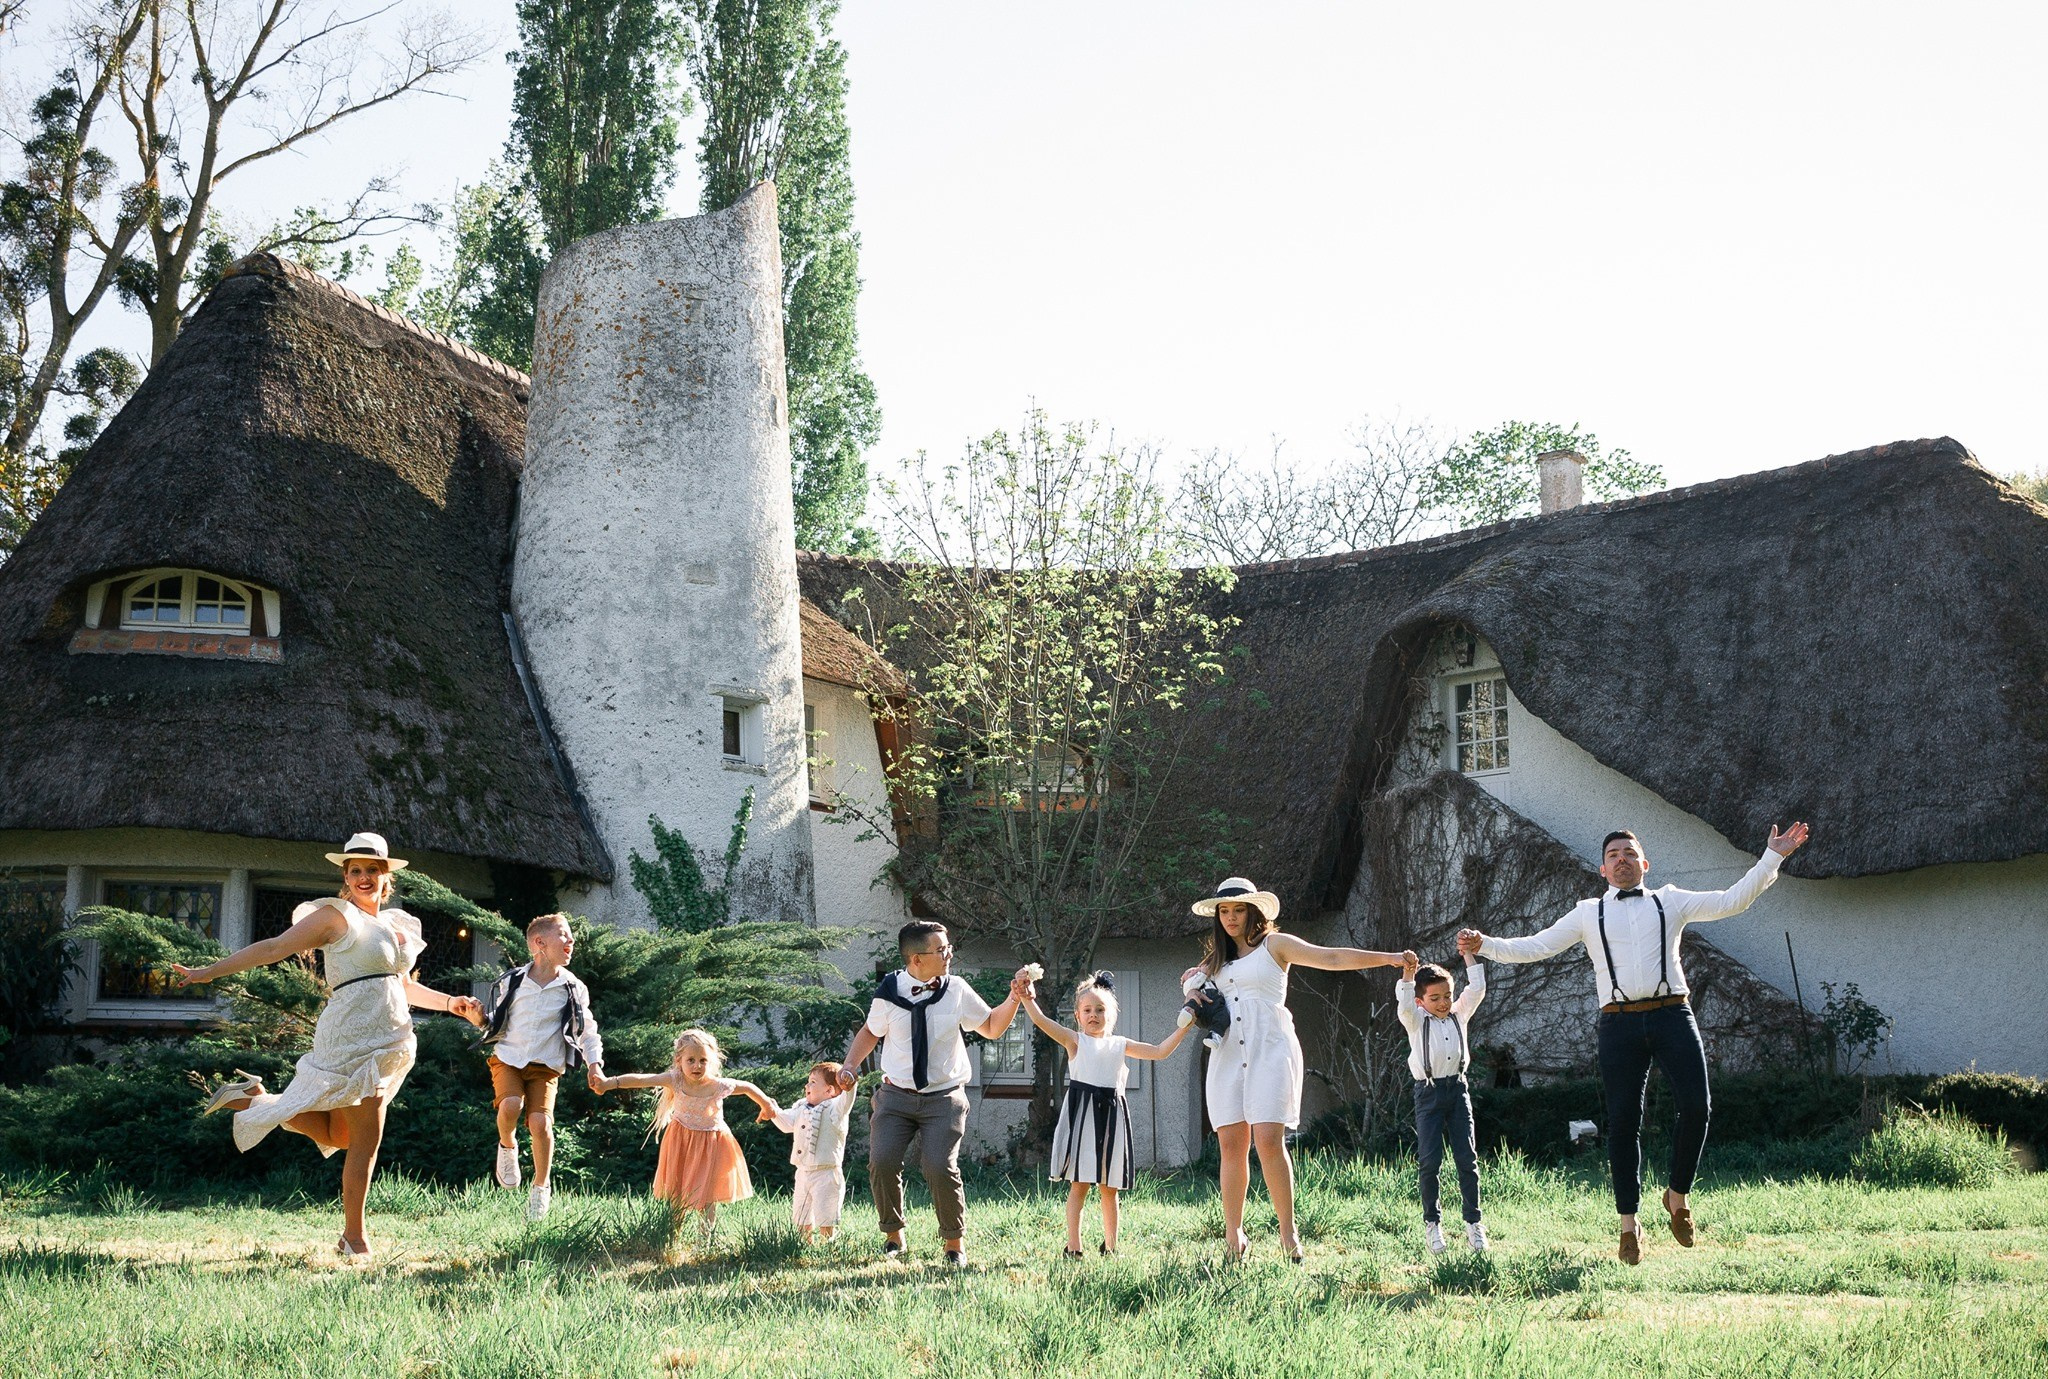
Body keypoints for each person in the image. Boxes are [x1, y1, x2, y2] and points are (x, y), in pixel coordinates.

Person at [1458, 822, 1810, 1264]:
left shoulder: (1670, 900)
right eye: (1613, 855)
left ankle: (1677, 1196)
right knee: (1624, 1123)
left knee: (1698, 1108)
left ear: (1644, 864)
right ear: (1603, 870)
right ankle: (1629, 1225)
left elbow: (1732, 900)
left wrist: (1772, 857)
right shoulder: (1588, 912)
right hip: (1618, 1024)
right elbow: (1536, 946)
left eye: (1629, 853)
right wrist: (1485, 944)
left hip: (1672, 1015)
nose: (1621, 859)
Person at [174, 831, 482, 1263]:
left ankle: (255, 1101)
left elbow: (403, 987)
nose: (363, 877)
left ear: (386, 877)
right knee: (365, 1141)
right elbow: (275, 948)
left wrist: (452, 1004)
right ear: (345, 877)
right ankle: (354, 1238)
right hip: (353, 1035)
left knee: (340, 1135)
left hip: (389, 1036)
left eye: (372, 870)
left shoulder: (394, 927)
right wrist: (210, 971)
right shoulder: (337, 917)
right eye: (355, 870)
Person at [1183, 877, 1413, 1264]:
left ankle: (1288, 1234)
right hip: (1227, 1054)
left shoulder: (1276, 944)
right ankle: (1233, 1235)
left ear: (1255, 911)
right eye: (1224, 910)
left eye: (1239, 909)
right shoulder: (1216, 961)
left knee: (1269, 1140)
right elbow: (1191, 982)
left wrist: (1388, 959)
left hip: (1270, 1048)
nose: (1231, 917)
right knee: (1231, 1145)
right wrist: (1191, 988)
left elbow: (1331, 958)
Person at [836, 920, 1031, 1267]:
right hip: (895, 1096)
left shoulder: (956, 989)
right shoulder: (888, 991)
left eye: (948, 947)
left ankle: (954, 1245)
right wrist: (850, 1066)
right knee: (881, 1162)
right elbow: (870, 1031)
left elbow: (990, 1027)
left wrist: (1013, 998)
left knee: (939, 1165)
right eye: (941, 950)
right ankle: (894, 1237)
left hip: (944, 1097)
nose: (949, 953)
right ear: (916, 960)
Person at [1020, 969, 1195, 1258]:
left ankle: (1111, 1245)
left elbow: (1160, 1051)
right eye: (1087, 1010)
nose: (1093, 1015)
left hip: (1112, 1117)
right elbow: (1040, 1020)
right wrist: (1027, 997)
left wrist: (1185, 1027)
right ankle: (1074, 1245)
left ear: (1110, 1016)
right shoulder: (1075, 1040)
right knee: (1079, 1184)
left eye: (1100, 1010)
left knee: (1109, 1187)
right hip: (1083, 1118)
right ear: (1077, 1016)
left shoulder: (1120, 1044)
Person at [457, 912, 605, 1221]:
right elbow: (494, 1024)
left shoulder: (572, 987)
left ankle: (541, 1187)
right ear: (540, 943)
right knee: (510, 1104)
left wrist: (595, 1065)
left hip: (546, 1067)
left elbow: (587, 1030)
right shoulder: (512, 981)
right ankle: (507, 1146)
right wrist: (477, 1019)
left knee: (541, 1125)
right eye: (564, 935)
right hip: (508, 1058)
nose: (571, 940)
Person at [592, 1029, 777, 1232]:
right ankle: (673, 1234)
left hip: (711, 1143)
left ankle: (705, 1238)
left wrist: (766, 1105)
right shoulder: (675, 1080)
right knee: (677, 1190)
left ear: (711, 1062)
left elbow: (748, 1087)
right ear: (679, 1060)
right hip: (680, 1140)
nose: (697, 1065)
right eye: (691, 1060)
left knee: (707, 1193)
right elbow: (643, 1079)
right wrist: (610, 1083)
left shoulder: (718, 1085)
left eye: (703, 1060)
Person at [1395, 954, 1487, 1254]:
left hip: (1458, 1091)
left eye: (1447, 995)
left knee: (1467, 1159)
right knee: (1430, 1161)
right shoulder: (1416, 1021)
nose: (1444, 1003)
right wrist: (1408, 975)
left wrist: (1469, 955)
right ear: (1422, 1001)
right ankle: (1432, 1226)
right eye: (1435, 998)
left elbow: (1477, 989)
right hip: (1429, 1093)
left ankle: (1474, 1224)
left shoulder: (1459, 1015)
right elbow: (1405, 1004)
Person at [767, 1061, 857, 1241]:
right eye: (808, 1081)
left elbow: (847, 1100)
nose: (807, 1086)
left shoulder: (835, 1109)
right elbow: (786, 1123)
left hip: (827, 1173)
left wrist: (849, 1084)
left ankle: (827, 1242)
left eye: (813, 1082)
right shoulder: (800, 1107)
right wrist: (772, 1111)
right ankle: (802, 1243)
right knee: (801, 1212)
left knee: (826, 1212)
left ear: (830, 1091)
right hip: (803, 1172)